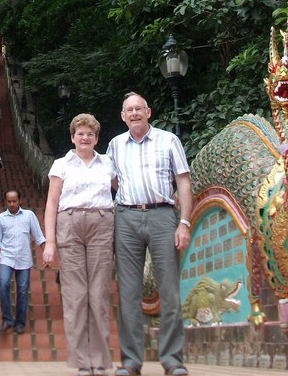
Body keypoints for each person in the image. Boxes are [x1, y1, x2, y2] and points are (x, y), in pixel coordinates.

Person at [107, 92, 193, 376]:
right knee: (128, 293)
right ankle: (130, 362)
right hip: (127, 217)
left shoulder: (169, 140)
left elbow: (183, 181)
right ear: (122, 116)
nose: (133, 113)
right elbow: (111, 181)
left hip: (162, 216)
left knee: (169, 291)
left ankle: (172, 359)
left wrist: (184, 223)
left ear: (148, 112)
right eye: (128, 110)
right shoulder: (115, 145)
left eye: (138, 109)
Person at [43, 114, 117, 376]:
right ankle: (82, 362)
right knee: (75, 295)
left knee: (98, 294)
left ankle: (99, 359)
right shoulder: (61, 164)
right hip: (69, 224)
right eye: (80, 133)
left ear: (97, 138)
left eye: (90, 134)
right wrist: (49, 242)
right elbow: (52, 203)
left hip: (101, 224)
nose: (84, 138)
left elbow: (125, 190)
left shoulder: (108, 163)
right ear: (72, 137)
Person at [0, 190, 46, 336]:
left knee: (22, 290)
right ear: (6, 202)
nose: (12, 204)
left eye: (14, 201)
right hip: (6, 257)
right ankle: (7, 320)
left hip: (24, 259)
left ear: (19, 201)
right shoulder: (0, 218)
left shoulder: (29, 216)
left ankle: (20, 323)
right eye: (9, 201)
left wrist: (46, 253)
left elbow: (39, 237)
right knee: (3, 283)